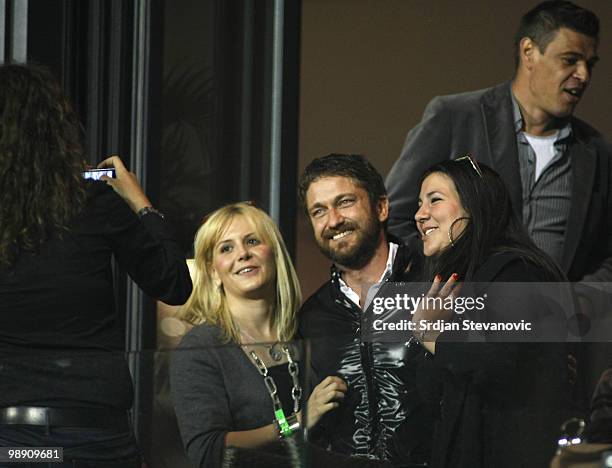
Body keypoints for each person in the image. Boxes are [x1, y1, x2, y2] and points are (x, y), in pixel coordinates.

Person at [0, 64, 192, 466]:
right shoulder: (93, 202)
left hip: (13, 442)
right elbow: (174, 284)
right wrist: (139, 202)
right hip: (95, 435)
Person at [386, 0, 610, 285]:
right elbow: (396, 218)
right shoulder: (455, 117)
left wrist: (583, 301)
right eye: (569, 60)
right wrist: (448, 275)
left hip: (555, 324)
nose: (583, 75)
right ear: (529, 52)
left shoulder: (596, 151)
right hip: (465, 317)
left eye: (589, 64)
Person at [411, 157, 574, 468]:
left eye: (435, 200)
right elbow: (434, 396)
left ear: (476, 205)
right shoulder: (458, 286)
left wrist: (429, 335)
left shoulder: (518, 272)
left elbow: (497, 359)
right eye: (420, 203)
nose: (419, 215)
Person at [170, 202, 348, 468]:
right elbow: (207, 452)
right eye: (226, 248)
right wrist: (297, 420)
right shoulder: (200, 347)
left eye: (252, 241)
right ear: (213, 272)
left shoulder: (305, 330)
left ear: (274, 254)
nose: (243, 254)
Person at [298, 154, 433, 466]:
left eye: (344, 202)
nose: (333, 220)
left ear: (381, 208)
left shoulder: (434, 284)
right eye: (319, 211)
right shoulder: (311, 317)